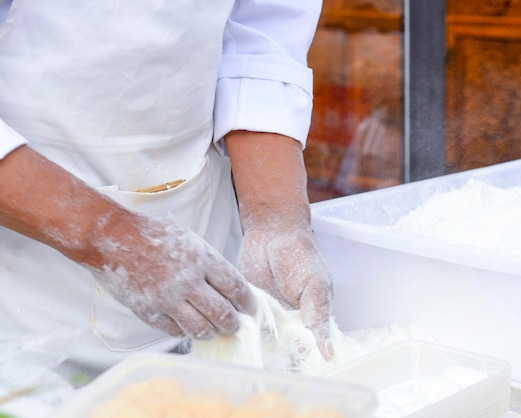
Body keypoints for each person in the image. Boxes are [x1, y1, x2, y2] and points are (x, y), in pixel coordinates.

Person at [0, 0, 333, 377]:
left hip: (194, 210)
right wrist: (107, 234)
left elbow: (260, 42)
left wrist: (275, 220)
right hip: (18, 278)